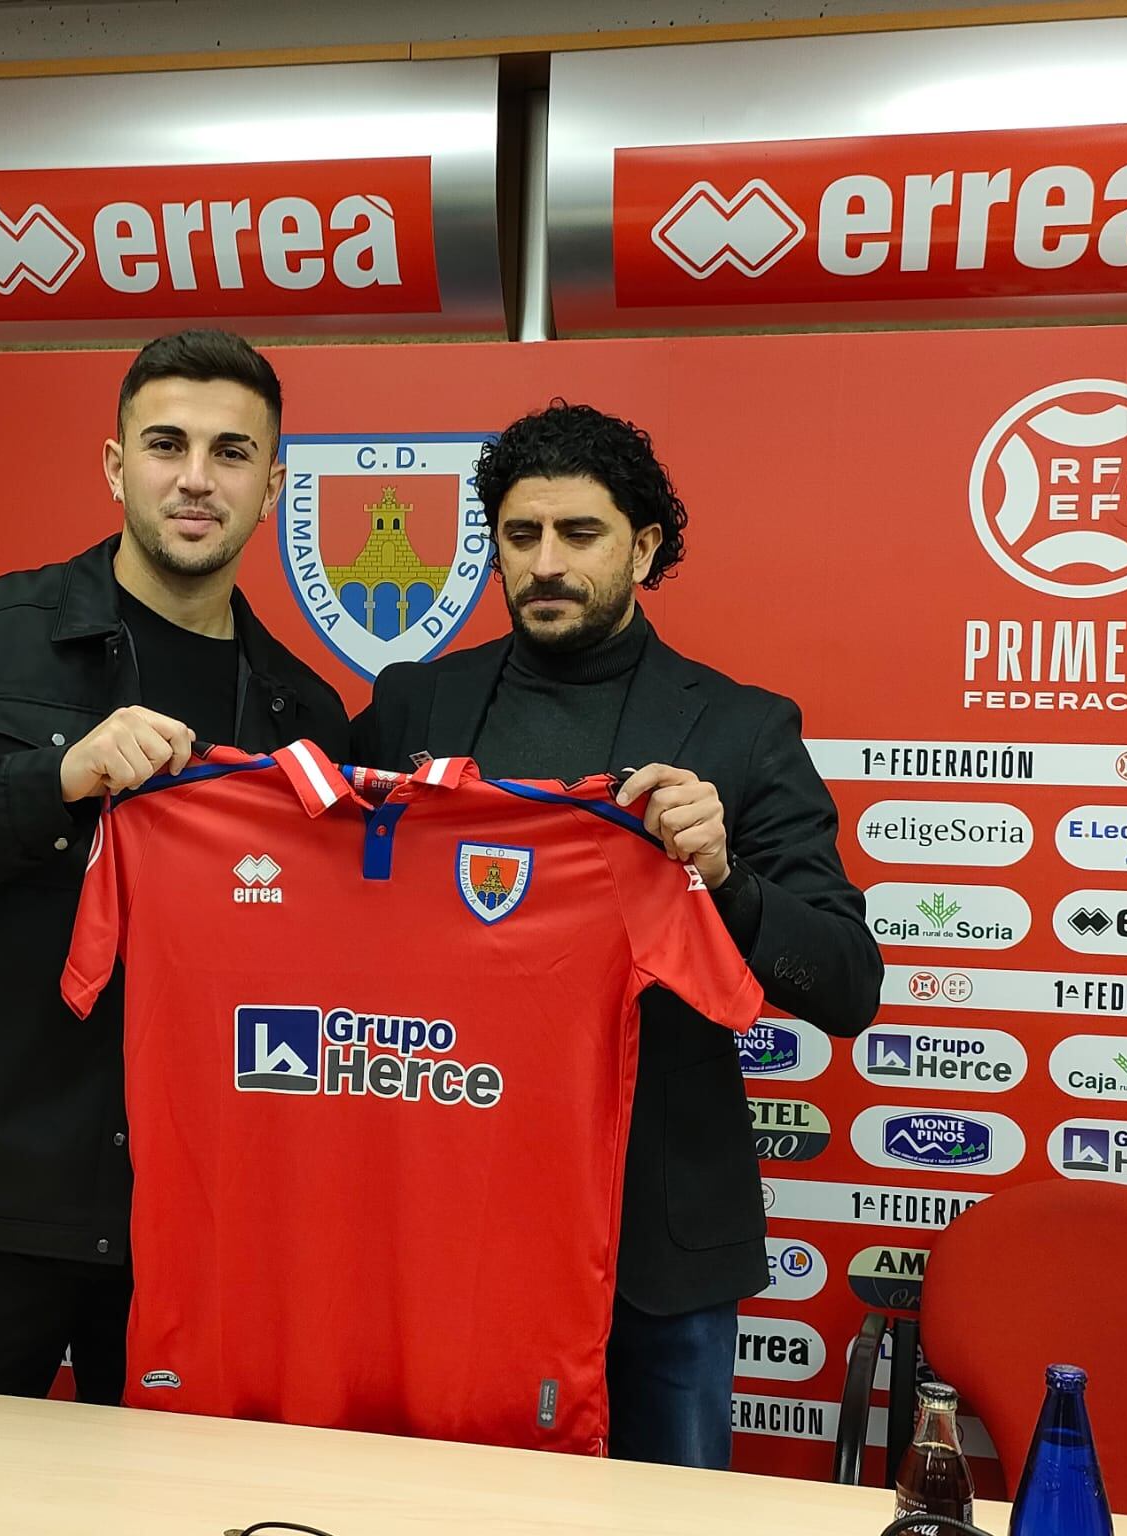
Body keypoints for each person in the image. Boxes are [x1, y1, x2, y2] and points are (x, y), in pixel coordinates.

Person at [0, 329, 350, 1405]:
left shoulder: (306, 713)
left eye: (232, 453)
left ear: (274, 485)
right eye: (165, 444)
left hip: (193, 1215)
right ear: (113, 465)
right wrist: (54, 775)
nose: (195, 479)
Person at [351, 401, 880, 1467]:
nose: (544, 563)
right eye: (518, 535)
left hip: (654, 1247)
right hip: (445, 1214)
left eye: (578, 535)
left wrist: (722, 875)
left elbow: (844, 984)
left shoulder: (737, 727)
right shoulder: (412, 705)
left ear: (642, 545)